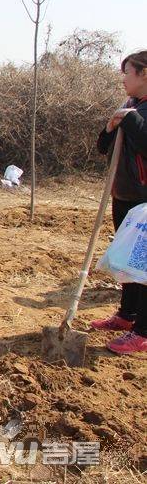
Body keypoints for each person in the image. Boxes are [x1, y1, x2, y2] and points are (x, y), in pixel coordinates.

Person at [92, 50, 147, 356]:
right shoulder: (130, 107)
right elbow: (104, 147)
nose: (123, 78)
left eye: (128, 72)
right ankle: (127, 315)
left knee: (145, 266)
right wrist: (112, 126)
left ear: (144, 74)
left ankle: (143, 332)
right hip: (124, 195)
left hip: (144, 199)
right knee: (129, 263)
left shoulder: (137, 113)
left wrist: (131, 120)